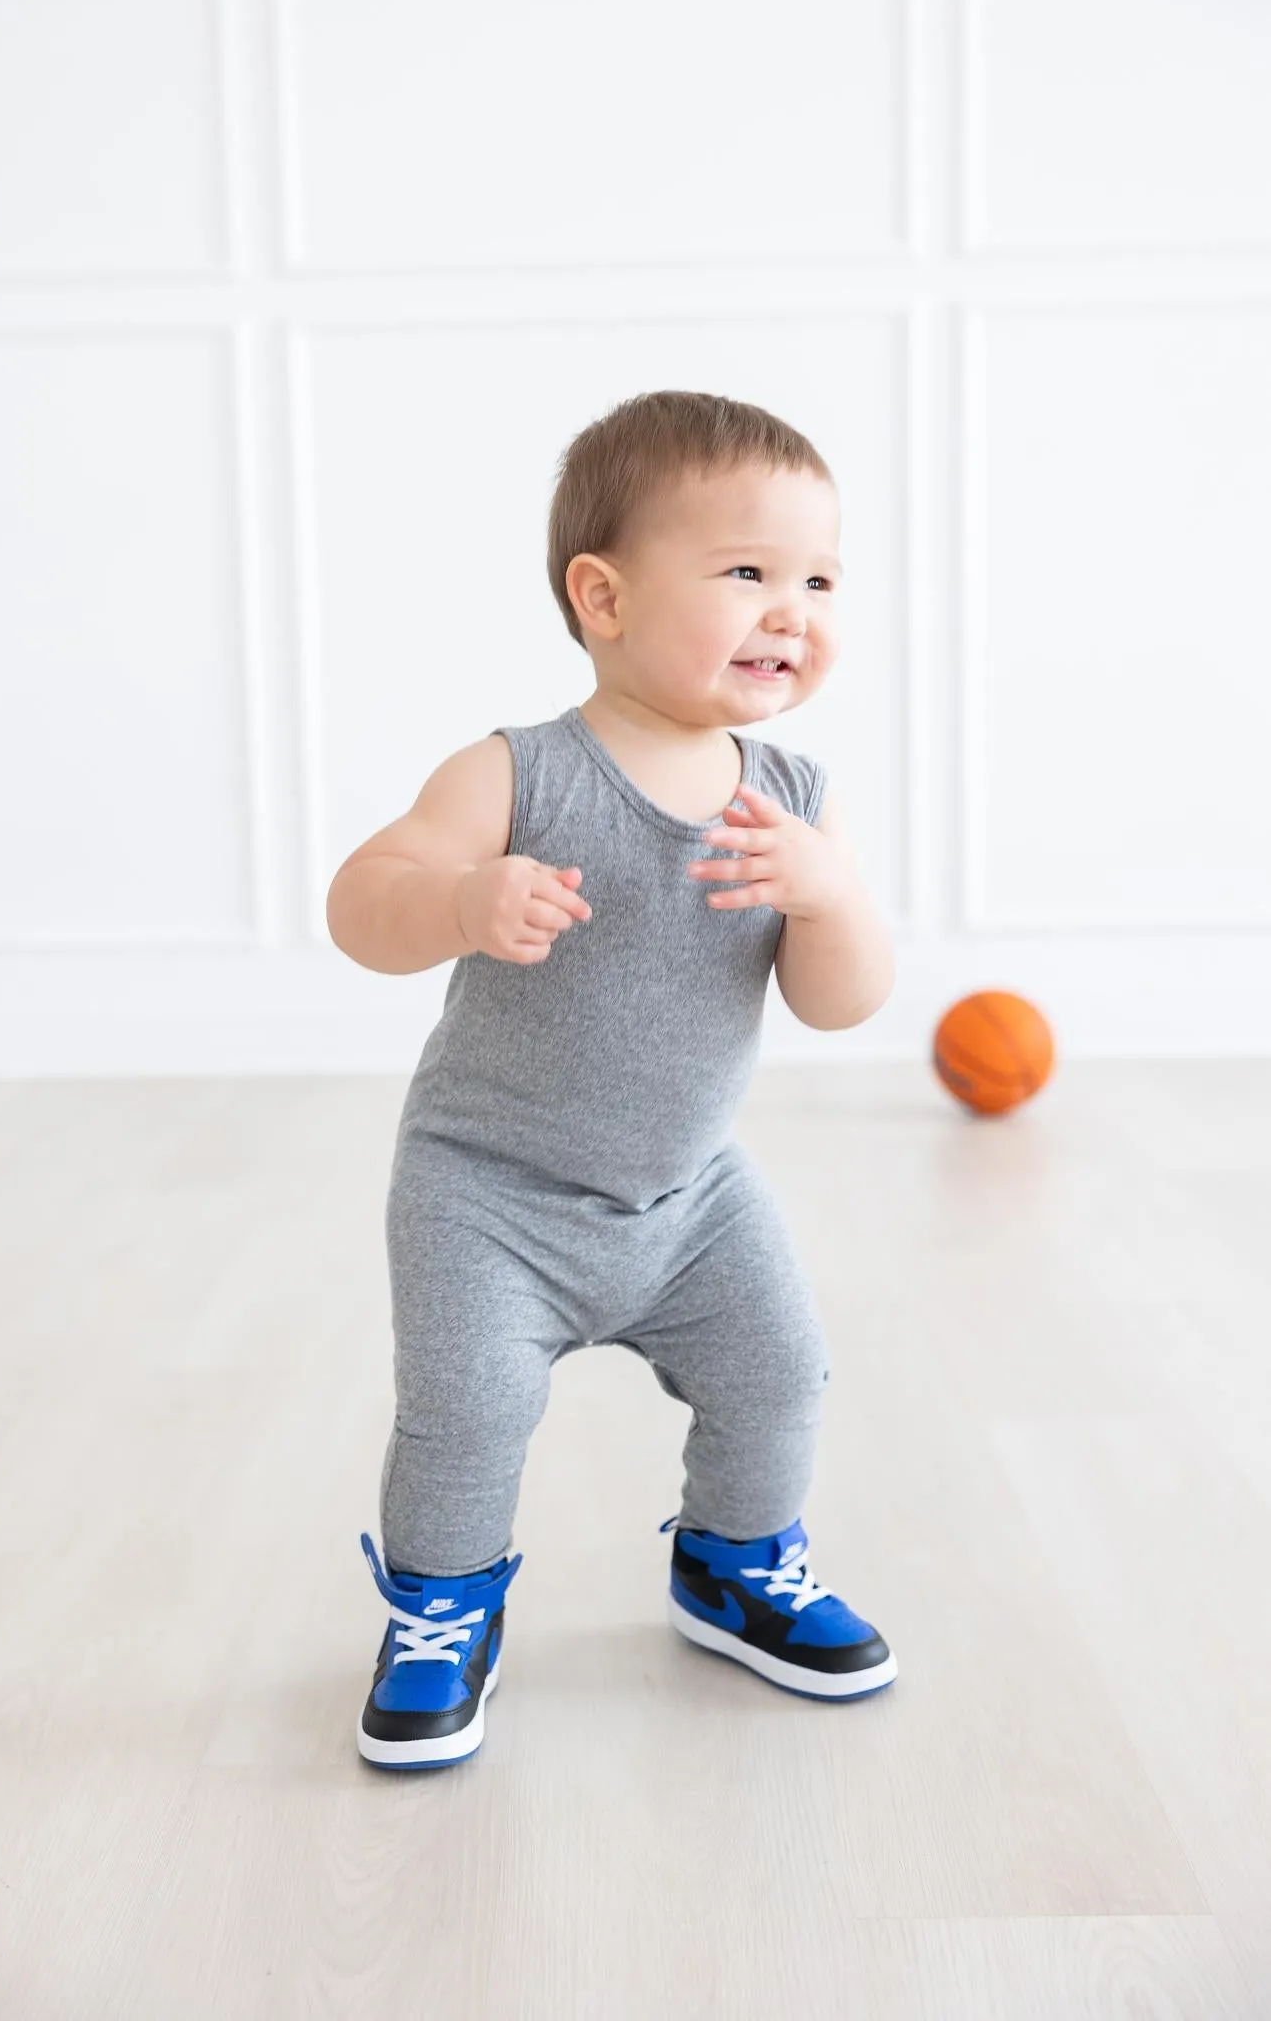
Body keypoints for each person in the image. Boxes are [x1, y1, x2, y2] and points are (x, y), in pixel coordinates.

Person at [326, 390, 899, 1773]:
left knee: (780, 1370)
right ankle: (442, 1608)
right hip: (490, 1197)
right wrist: (462, 900)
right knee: (466, 1412)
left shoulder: (794, 797)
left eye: (819, 578)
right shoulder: (518, 776)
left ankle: (737, 1560)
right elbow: (361, 903)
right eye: (748, 571)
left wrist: (830, 903)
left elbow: (841, 1004)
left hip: (690, 1197)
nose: (793, 610)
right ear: (604, 596)